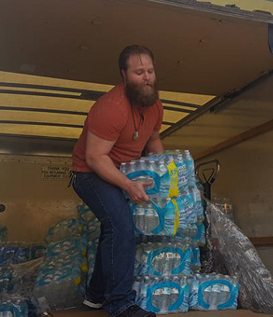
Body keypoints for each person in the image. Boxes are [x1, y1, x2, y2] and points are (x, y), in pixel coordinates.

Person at [70, 45, 164, 317]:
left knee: (115, 227)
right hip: (89, 173)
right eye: (138, 72)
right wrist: (128, 185)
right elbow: (95, 157)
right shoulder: (111, 108)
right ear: (124, 75)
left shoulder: (154, 103)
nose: (146, 77)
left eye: (150, 71)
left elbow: (154, 140)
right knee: (121, 224)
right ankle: (120, 304)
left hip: (121, 171)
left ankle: (96, 295)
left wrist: (167, 174)